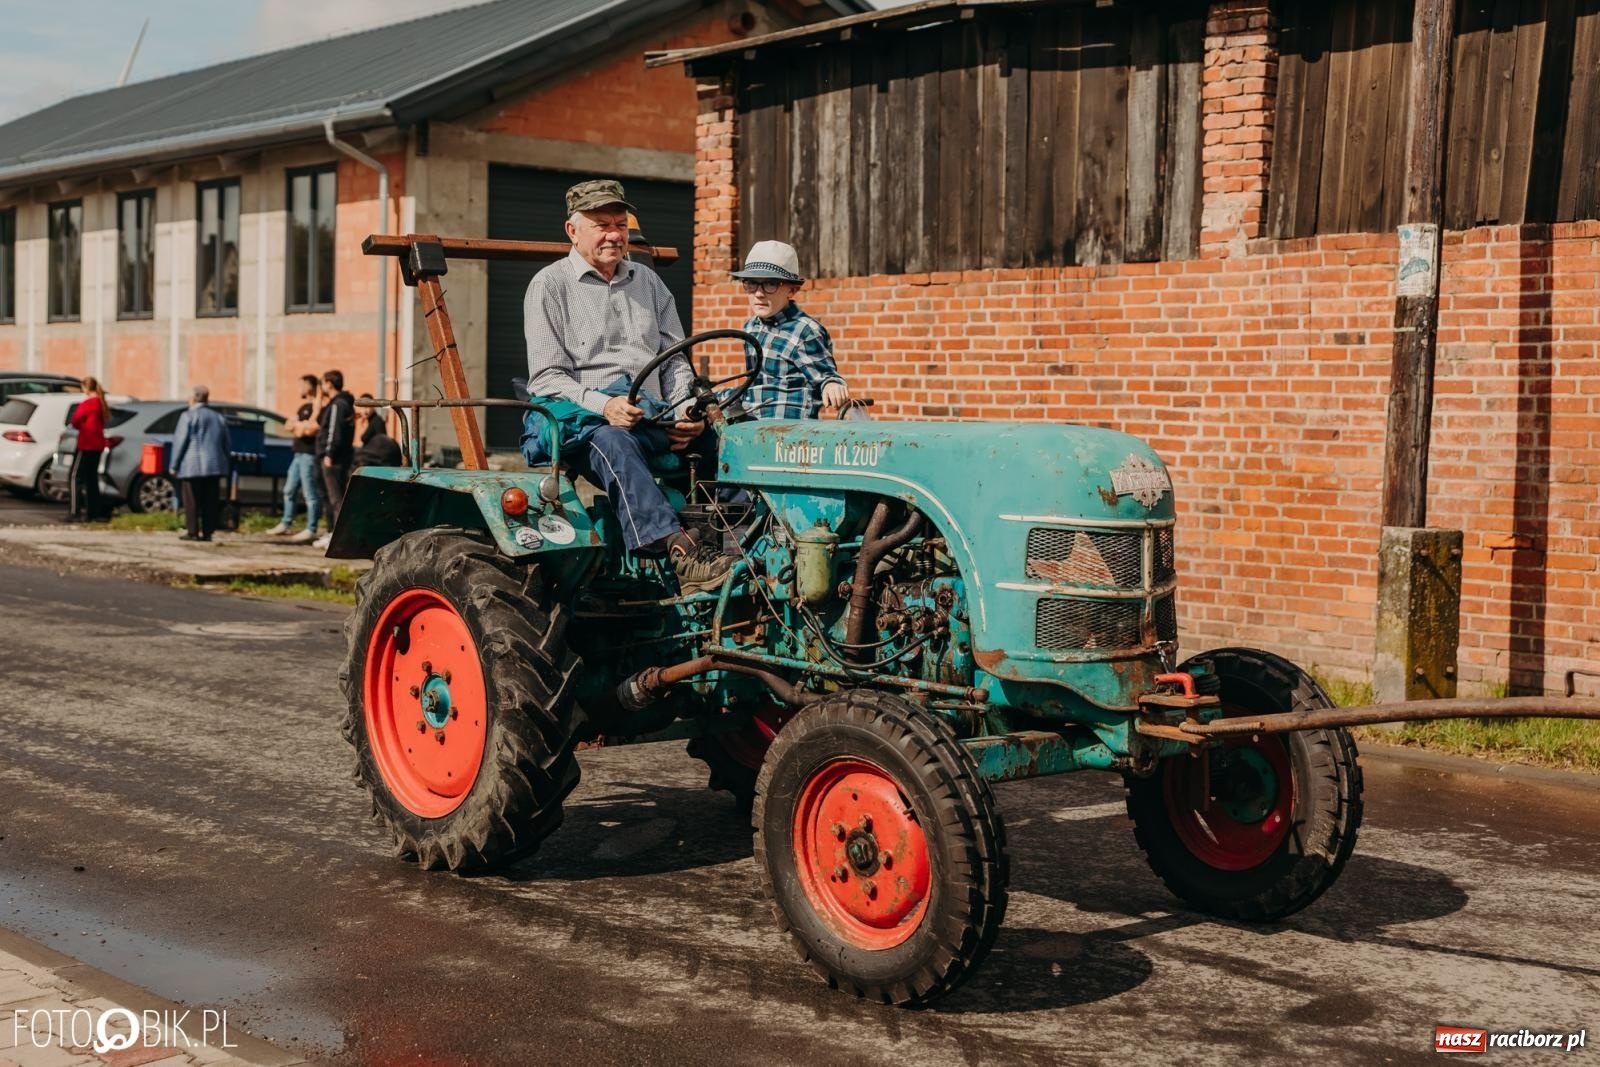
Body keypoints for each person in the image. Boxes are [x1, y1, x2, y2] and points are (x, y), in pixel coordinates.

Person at [519, 178, 734, 593]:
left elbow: (675, 362)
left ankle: (741, 548)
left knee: (725, 443)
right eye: (601, 224)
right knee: (615, 443)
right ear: (572, 230)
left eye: (620, 223)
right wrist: (606, 406)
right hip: (590, 425)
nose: (614, 235)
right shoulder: (550, 285)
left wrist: (685, 412)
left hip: (655, 417)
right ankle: (679, 550)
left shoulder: (649, 283)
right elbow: (546, 377)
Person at [734, 241, 850, 420]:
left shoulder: (804, 330)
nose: (758, 293)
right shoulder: (750, 327)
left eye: (770, 284)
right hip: (753, 425)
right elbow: (757, 385)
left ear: (792, 290)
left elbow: (826, 374)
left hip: (788, 433)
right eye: (751, 283)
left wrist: (832, 385)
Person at [168, 385, 231, 542]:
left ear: (194, 398)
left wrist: (174, 464)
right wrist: (225, 460)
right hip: (214, 465)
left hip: (192, 464)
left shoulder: (188, 416)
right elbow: (226, 443)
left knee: (191, 499)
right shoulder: (218, 417)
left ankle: (192, 530)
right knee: (210, 499)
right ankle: (208, 531)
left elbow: (180, 441)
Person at [268, 374, 323, 543]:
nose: (300, 389)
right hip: (297, 454)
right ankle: (286, 523)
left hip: (309, 454)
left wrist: (301, 427)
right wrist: (300, 427)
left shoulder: (318, 407)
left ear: (310, 385)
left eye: (302, 385)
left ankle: (311, 528)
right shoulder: (303, 407)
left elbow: (309, 430)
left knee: (309, 492)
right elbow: (289, 425)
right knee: (289, 490)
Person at [313, 369, 355, 549]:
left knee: (336, 497)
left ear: (329, 383)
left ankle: (337, 537)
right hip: (338, 457)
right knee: (329, 497)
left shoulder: (338, 404)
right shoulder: (341, 403)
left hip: (333, 459)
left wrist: (329, 453)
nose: (321, 387)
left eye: (322, 383)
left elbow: (333, 432)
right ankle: (331, 532)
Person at [66, 375, 111, 522]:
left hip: (86, 444)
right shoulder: (101, 403)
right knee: (91, 479)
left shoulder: (88, 403)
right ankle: (93, 512)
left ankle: (74, 511)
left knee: (74, 477)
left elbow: (75, 421)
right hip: (97, 446)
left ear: (85, 388)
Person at [353, 397, 403, 468]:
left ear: (373, 407)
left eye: (368, 407)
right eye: (363, 407)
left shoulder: (377, 421)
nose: (365, 410)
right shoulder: (371, 421)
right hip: (372, 459)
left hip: (376, 461)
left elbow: (382, 443)